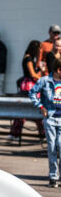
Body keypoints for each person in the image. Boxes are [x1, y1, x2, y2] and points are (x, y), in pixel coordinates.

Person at [29, 58, 61, 187]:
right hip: (51, 119)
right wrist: (41, 107)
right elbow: (32, 92)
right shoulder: (45, 81)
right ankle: (53, 177)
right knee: (52, 147)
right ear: (58, 70)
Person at [9, 40, 45, 142]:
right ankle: (15, 132)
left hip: (30, 84)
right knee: (28, 109)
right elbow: (32, 74)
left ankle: (41, 132)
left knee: (34, 109)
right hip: (29, 85)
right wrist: (40, 76)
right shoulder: (28, 59)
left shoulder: (31, 58)